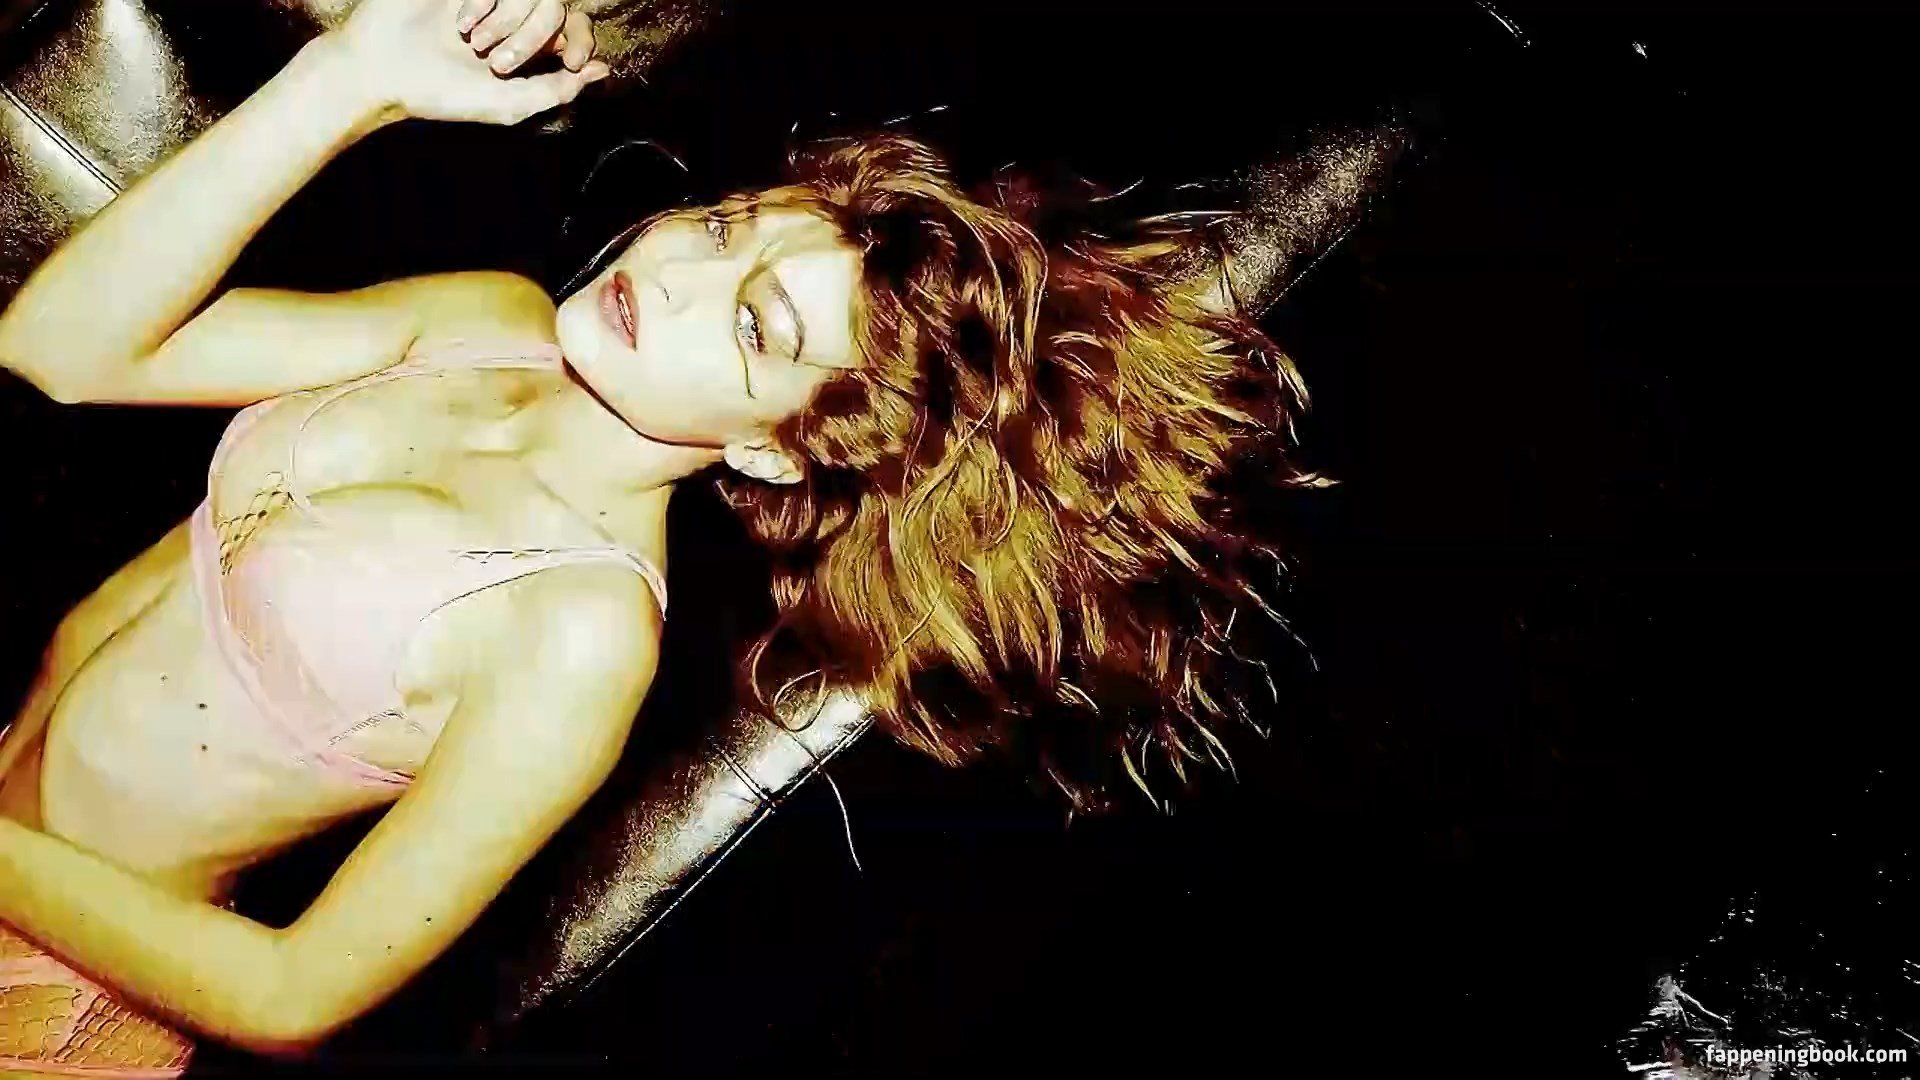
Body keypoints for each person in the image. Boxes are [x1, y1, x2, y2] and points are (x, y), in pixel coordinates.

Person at [0, 0, 1321, 1073]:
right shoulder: (485, 323)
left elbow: (294, 996)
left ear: (777, 448)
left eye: (753, 327)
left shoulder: (582, 631)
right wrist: (346, 82)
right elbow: (59, 350)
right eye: (730, 228)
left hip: (56, 988)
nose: (677, 273)